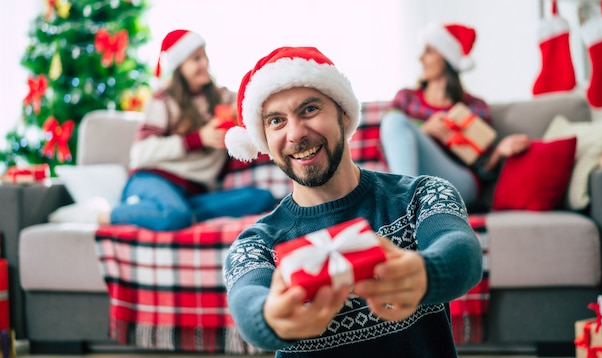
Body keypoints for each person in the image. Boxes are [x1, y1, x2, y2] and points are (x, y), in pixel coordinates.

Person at [222, 46, 482, 357]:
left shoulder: (423, 195)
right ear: (264, 139)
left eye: (309, 110)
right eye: (276, 121)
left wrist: (425, 273)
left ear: (344, 115)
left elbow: (461, 252)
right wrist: (271, 317)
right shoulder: (255, 244)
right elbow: (248, 301)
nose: (295, 134)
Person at [97, 29, 276, 231]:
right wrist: (199, 138)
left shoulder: (223, 97)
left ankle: (174, 213)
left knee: (262, 198)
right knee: (175, 215)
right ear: (179, 67)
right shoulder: (163, 100)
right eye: (196, 59)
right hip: (153, 179)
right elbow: (140, 152)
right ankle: (104, 215)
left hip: (195, 192)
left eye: (204, 56)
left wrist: (243, 112)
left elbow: (258, 104)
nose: (205, 64)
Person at [380, 23, 530, 207]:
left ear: (446, 58)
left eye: (429, 51)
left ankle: (403, 207)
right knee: (394, 121)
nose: (420, 58)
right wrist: (425, 130)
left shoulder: (475, 107)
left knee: (396, 121)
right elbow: (387, 145)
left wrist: (498, 153)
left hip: (459, 183)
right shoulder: (406, 98)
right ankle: (408, 203)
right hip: (415, 176)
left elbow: (483, 170)